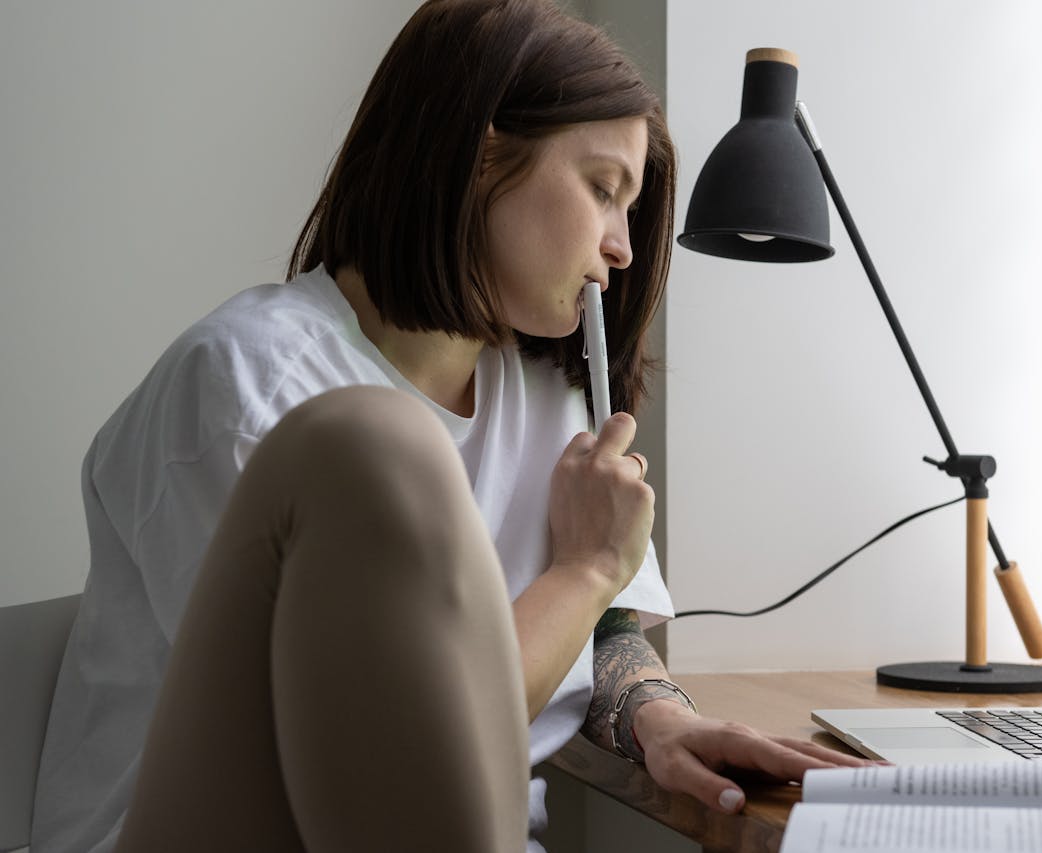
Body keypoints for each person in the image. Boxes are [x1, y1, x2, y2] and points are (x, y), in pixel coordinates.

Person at [32, 1, 874, 850]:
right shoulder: (250, 386)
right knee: (374, 445)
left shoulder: (547, 395)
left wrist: (655, 715)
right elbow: (376, 771)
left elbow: (610, 628)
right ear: (480, 159)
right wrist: (584, 566)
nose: (621, 246)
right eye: (601, 190)